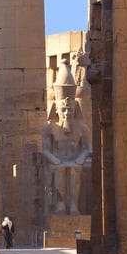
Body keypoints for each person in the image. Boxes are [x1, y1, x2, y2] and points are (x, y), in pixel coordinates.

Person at [41, 59, 92, 215]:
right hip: (56, 161)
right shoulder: (49, 128)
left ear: (75, 107)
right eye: (64, 109)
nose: (67, 112)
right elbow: (45, 150)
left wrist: (80, 158)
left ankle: (74, 205)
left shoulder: (82, 128)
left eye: (70, 109)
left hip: (75, 161)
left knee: (75, 170)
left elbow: (88, 148)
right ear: (56, 109)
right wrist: (55, 160)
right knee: (59, 170)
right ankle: (60, 204)